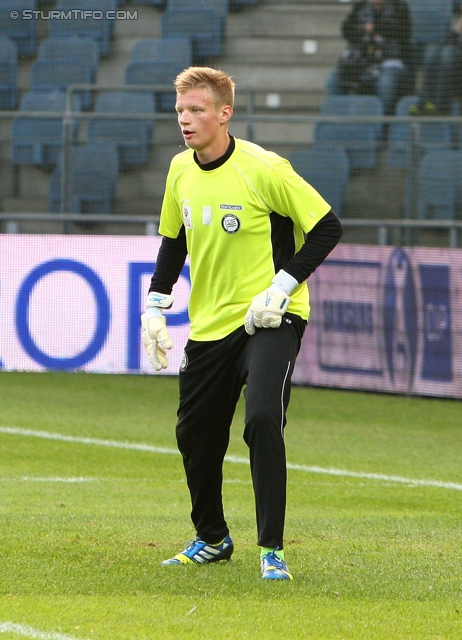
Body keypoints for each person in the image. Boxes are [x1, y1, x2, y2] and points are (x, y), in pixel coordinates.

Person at [141, 67, 343, 581]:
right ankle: (212, 538)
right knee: (194, 434)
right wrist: (154, 306)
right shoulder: (179, 170)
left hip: (270, 319)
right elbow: (174, 241)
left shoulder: (265, 168)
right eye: (181, 111)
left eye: (197, 110)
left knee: (259, 421)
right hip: (210, 326)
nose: (185, 120)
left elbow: (327, 228)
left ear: (225, 113)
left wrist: (280, 287)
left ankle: (272, 549)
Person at [327, 0, 413, 115]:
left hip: (390, 60)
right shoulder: (360, 7)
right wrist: (367, 29)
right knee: (333, 80)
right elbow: (347, 30)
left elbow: (399, 31)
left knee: (386, 82)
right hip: (363, 60)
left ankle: (383, 124)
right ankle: (340, 122)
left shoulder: (400, 8)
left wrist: (373, 27)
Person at [410, 17, 462, 116]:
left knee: (448, 53)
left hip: (457, 70)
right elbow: (448, 40)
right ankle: (425, 103)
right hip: (449, 63)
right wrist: (457, 29)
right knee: (431, 51)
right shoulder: (456, 20)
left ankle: (440, 106)